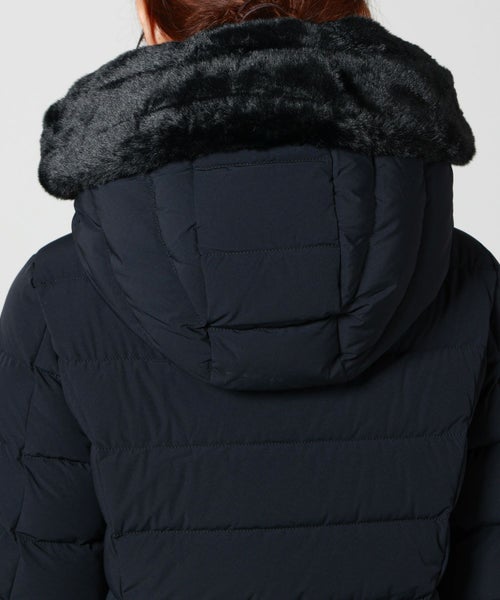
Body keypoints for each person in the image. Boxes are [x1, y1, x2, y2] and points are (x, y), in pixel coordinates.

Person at [0, 0, 498, 598]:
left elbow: (34, 571)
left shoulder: (57, 292)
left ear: (150, 17)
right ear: (358, 9)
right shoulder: (465, 279)